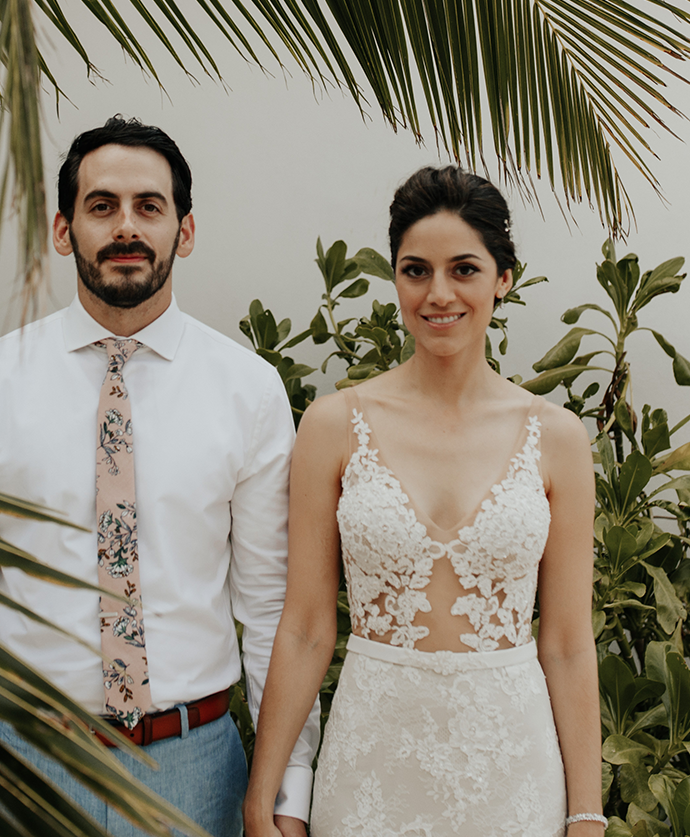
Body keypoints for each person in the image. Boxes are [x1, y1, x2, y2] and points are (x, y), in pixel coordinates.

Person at [0, 116, 318, 837]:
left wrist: (290, 787)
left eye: (150, 205)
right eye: (101, 206)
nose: (126, 226)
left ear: (186, 230)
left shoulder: (249, 390)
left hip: (196, 768)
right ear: (63, 228)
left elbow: (270, 610)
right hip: (24, 762)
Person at [242, 166, 605, 837]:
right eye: (416, 270)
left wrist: (586, 814)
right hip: (372, 765)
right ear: (397, 279)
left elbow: (566, 643)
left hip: (512, 772)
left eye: (464, 268)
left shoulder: (555, 437)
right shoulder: (331, 425)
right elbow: (306, 626)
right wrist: (262, 797)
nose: (438, 293)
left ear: (503, 278)